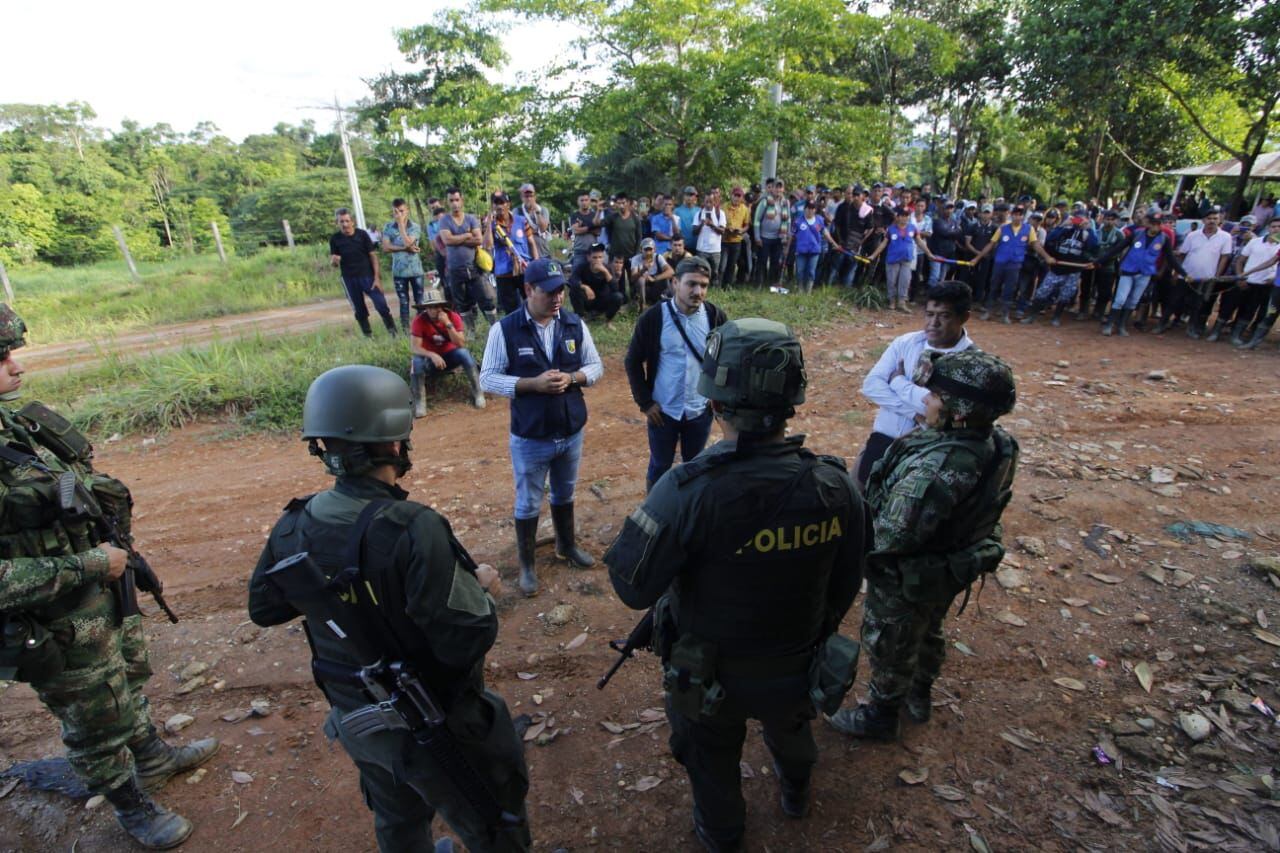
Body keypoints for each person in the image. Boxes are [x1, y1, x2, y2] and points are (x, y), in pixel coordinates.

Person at [604, 318, 867, 853]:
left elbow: (632, 588)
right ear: (793, 399)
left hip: (710, 675)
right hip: (798, 661)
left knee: (711, 757)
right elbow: (849, 574)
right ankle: (795, 791)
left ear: (715, 404)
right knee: (793, 730)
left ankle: (723, 835)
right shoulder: (834, 484)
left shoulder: (686, 490)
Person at [247, 365, 530, 853]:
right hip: (434, 722)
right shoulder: (412, 527)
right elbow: (464, 638)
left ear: (324, 447)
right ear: (396, 446)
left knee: (397, 819)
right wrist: (481, 589)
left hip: (357, 716)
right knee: (492, 818)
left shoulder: (294, 526)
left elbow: (265, 609)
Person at [0, 305, 218, 849]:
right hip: (51, 614)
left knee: (125, 679)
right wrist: (85, 565)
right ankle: (131, 807)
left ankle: (150, 757)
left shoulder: (15, 423)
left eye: (11, 352)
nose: (13, 366)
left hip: (97, 590)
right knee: (92, 714)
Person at [829, 350, 1018, 741]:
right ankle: (919, 693)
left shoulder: (935, 469)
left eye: (933, 397)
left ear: (959, 412)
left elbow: (891, 537)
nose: (926, 401)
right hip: (949, 565)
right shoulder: (996, 441)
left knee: (889, 641)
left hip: (908, 575)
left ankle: (881, 715)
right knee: (929, 628)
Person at [480, 259, 604, 596]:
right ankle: (528, 566)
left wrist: (574, 377)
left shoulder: (574, 325)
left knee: (565, 492)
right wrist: (531, 384)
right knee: (528, 503)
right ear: (528, 290)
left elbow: (595, 366)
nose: (557, 298)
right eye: (549, 292)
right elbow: (488, 377)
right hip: (531, 435)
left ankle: (567, 546)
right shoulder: (504, 330)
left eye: (560, 290)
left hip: (571, 429)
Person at [855, 282, 977, 488]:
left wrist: (898, 382)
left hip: (931, 453)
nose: (933, 323)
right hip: (885, 438)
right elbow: (871, 386)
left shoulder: (972, 361)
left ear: (964, 318)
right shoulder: (907, 342)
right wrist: (914, 414)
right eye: (929, 314)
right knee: (859, 498)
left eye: (944, 316)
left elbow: (939, 411)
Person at [623, 256, 728, 492]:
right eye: (691, 284)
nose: (698, 291)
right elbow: (632, 361)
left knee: (694, 467)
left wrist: (717, 397)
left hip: (699, 410)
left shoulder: (715, 317)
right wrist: (646, 402)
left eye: (703, 285)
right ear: (674, 283)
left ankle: (686, 516)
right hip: (663, 411)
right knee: (660, 466)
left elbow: (724, 360)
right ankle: (654, 516)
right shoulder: (653, 318)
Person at [1095, 211, 1187, 337]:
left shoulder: (1164, 239)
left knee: (1133, 301)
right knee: (1120, 299)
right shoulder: (1137, 234)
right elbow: (1118, 248)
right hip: (1128, 270)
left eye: (1158, 224)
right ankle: (1109, 325)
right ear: (1148, 223)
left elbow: (1171, 258)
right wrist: (1099, 261)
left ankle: (1122, 325)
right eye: (1153, 223)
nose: (1156, 226)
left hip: (1145, 273)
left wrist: (1184, 273)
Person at [409, 288, 485, 415]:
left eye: (437, 306)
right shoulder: (419, 321)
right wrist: (432, 355)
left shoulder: (453, 317)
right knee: (416, 362)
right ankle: (420, 403)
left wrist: (448, 324)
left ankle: (478, 392)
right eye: (430, 307)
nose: (434, 310)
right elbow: (415, 347)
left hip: (450, 356)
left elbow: (460, 343)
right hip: (431, 360)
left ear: (442, 307)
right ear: (425, 309)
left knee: (464, 353)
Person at [1020, 210, 1099, 326]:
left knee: (1065, 295)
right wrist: (1063, 225)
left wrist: (1089, 229)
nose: (1079, 221)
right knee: (1043, 291)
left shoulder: (1088, 233)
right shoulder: (1064, 230)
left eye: (1082, 219)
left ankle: (1056, 317)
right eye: (1077, 218)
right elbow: (1050, 240)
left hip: (1073, 270)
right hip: (1057, 267)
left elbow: (1094, 246)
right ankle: (1032, 316)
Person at [330, 207, 397, 337]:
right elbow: (334, 262)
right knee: (359, 309)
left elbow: (373, 256)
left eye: (347, 221)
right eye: (341, 221)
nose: (344, 224)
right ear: (337, 222)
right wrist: (334, 261)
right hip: (349, 278)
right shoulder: (335, 239)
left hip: (368, 277)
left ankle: (393, 332)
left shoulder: (362, 235)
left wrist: (377, 278)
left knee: (381, 305)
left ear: (352, 221)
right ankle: (368, 336)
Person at [1164, 210, 1231, 337]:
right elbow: (1182, 255)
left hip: (1206, 277)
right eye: (1209, 218)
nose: (1212, 221)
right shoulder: (1192, 235)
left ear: (1219, 220)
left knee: (1197, 304)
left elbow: (1224, 257)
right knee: (1174, 300)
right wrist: (1176, 273)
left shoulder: (1226, 237)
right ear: (1203, 220)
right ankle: (1163, 323)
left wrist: (1216, 275)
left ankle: (1191, 328)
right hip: (1186, 274)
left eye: (1215, 218)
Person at [439, 188, 498, 332]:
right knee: (462, 303)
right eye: (451, 200)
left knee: (485, 299)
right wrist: (466, 235)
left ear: (462, 200)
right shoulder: (444, 220)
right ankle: (471, 331)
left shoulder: (471, 218)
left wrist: (456, 238)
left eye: (457, 200)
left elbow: (478, 239)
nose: (454, 203)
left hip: (473, 267)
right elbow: (447, 240)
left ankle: (495, 329)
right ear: (447, 202)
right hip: (454, 269)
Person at [864, 207, 930, 313]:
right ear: (898, 217)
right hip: (892, 259)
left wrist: (929, 254)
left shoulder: (913, 228)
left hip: (907, 259)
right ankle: (892, 302)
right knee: (891, 281)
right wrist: (873, 255)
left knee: (905, 280)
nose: (905, 218)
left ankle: (902, 303)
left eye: (907, 216)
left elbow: (920, 242)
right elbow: (883, 244)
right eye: (902, 216)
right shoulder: (891, 229)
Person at [484, 192, 538, 317]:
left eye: (502, 203)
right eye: (496, 203)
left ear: (508, 204)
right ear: (492, 206)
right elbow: (487, 245)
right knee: (511, 310)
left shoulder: (521, 221)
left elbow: (531, 243)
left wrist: (536, 262)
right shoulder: (491, 225)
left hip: (524, 268)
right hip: (504, 272)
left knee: (532, 301)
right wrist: (488, 225)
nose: (499, 206)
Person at [381, 199, 427, 332]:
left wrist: (401, 224)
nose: (399, 214)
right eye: (396, 212)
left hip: (416, 270)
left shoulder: (415, 226)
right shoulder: (388, 227)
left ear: (407, 210)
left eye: (401, 211)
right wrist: (405, 249)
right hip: (399, 271)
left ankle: (421, 328)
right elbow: (386, 247)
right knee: (403, 301)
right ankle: (406, 329)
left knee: (419, 301)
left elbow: (408, 242)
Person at [600, 192, 642, 302]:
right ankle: (620, 300)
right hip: (616, 255)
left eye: (623, 203)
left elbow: (639, 236)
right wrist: (599, 210)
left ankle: (635, 299)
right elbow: (600, 224)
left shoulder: (635, 218)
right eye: (619, 203)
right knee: (618, 280)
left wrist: (637, 254)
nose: (621, 205)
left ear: (628, 203)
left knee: (633, 279)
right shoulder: (613, 217)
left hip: (632, 254)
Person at [568, 243, 625, 322]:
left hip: (603, 301)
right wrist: (585, 287)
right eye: (594, 257)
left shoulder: (607, 268)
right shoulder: (582, 267)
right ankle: (581, 317)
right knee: (574, 290)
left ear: (603, 258)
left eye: (600, 257)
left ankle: (608, 319)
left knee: (618, 297)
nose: (597, 260)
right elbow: (571, 281)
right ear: (588, 258)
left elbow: (615, 288)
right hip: (588, 300)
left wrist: (605, 272)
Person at [792, 200, 841, 293]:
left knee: (811, 271)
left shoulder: (819, 220)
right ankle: (800, 289)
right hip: (801, 251)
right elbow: (792, 235)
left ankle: (808, 291)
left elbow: (825, 233)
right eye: (808, 208)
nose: (810, 210)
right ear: (804, 208)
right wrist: (787, 248)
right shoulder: (798, 221)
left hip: (814, 251)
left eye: (812, 208)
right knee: (800, 271)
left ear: (815, 209)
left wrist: (835, 244)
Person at [753, 180, 791, 287]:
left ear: (783, 189)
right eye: (776, 187)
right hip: (764, 237)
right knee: (762, 261)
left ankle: (772, 284)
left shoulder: (785, 202)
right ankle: (759, 284)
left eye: (780, 187)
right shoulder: (765, 201)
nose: (778, 190)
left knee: (775, 262)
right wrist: (757, 237)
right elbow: (756, 220)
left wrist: (787, 235)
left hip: (779, 237)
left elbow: (788, 220)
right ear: (772, 189)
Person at [720, 187, 751, 287]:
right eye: (735, 195)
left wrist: (741, 230)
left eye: (739, 196)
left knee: (732, 265)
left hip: (737, 240)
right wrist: (727, 228)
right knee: (722, 265)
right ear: (731, 195)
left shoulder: (745, 209)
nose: (737, 198)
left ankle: (727, 285)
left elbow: (747, 225)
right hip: (724, 240)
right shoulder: (723, 207)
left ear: (742, 197)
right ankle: (719, 284)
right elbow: (719, 222)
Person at [631, 237, 675, 305]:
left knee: (666, 279)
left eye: (650, 249)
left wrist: (655, 278)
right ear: (641, 250)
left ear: (654, 249)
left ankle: (664, 297)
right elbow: (633, 279)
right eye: (646, 250)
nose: (648, 252)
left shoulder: (658, 257)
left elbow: (671, 272)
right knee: (641, 280)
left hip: (655, 284)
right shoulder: (636, 259)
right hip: (643, 287)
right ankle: (642, 302)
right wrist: (643, 270)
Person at [517, 183, 553, 261]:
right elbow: (518, 231)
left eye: (531, 196)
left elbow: (543, 228)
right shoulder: (517, 211)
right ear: (522, 197)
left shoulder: (543, 210)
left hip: (543, 252)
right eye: (526, 196)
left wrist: (537, 212)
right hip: (526, 254)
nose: (529, 199)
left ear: (535, 197)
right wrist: (532, 231)